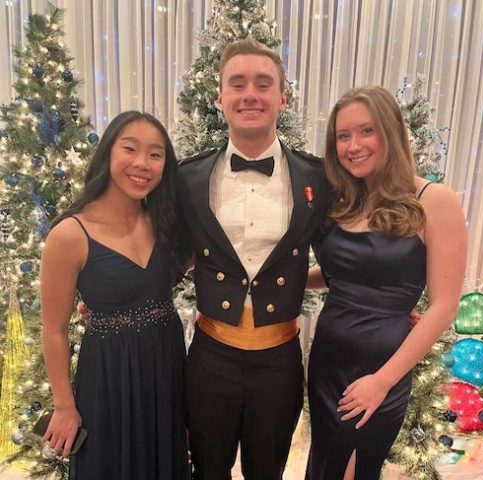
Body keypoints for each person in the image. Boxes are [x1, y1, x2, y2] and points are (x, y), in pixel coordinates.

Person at [177, 38, 332, 480]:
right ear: (219, 96)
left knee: (268, 471)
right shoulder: (187, 177)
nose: (250, 94)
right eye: (237, 83)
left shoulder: (318, 178)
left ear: (282, 97)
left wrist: (387, 305)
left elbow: (345, 258)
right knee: (208, 471)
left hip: (279, 360)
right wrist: (116, 294)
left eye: (263, 84)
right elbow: (168, 255)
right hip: (210, 358)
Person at [305, 85, 467, 480]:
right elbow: (337, 277)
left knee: (355, 469)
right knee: (325, 465)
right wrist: (267, 282)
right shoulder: (345, 200)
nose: (353, 145)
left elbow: (445, 305)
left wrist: (383, 381)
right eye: (343, 136)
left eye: (366, 131)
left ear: (391, 132)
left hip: (379, 371)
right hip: (326, 360)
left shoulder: (434, 200)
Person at [40, 111, 190, 480]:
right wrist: (63, 406)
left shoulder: (166, 222)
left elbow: (203, 266)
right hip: (108, 378)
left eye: (156, 154)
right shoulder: (70, 234)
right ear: (108, 152)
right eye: (130, 149)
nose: (142, 163)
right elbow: (54, 330)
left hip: (166, 369)